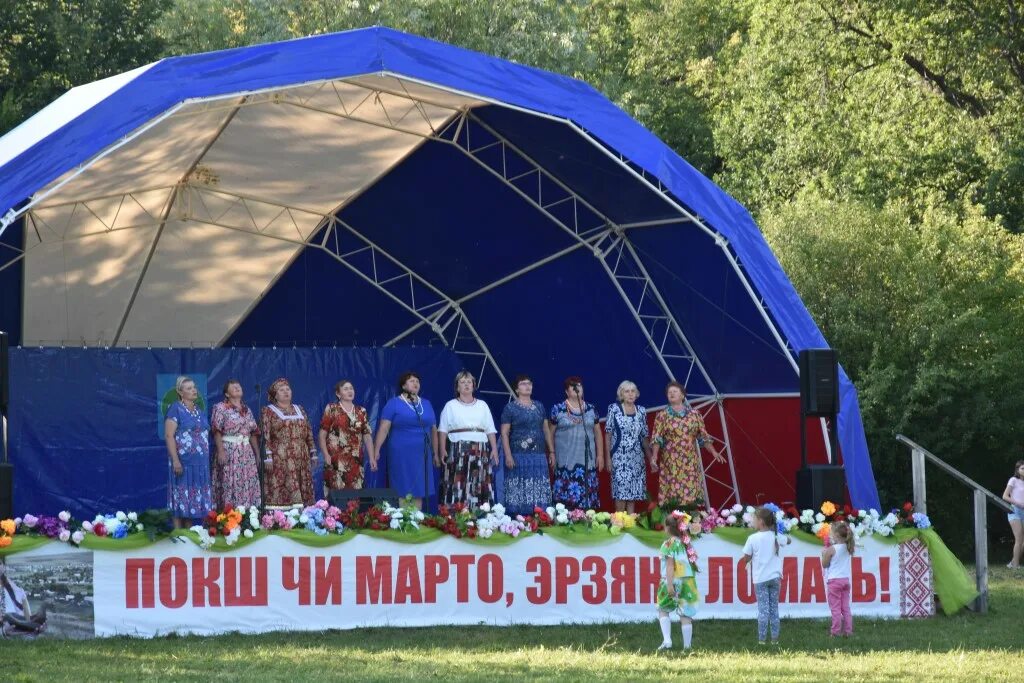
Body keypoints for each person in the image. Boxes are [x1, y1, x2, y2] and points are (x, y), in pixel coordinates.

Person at [650, 382, 725, 506]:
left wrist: (713, 451)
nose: (671, 394)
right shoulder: (662, 415)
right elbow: (657, 438)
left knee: (690, 491)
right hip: (671, 460)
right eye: (669, 392)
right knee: (673, 492)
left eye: (675, 391)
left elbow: (703, 436)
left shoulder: (695, 415)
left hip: (690, 460)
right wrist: (654, 456)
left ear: (682, 395)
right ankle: (674, 520)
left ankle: (689, 522)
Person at [374, 372, 438, 509]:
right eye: (411, 381)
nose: (415, 383)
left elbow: (433, 430)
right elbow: (384, 428)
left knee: (420, 486)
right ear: (403, 385)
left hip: (422, 453)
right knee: (403, 485)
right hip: (401, 453)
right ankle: (404, 518)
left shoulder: (426, 404)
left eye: (417, 381)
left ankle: (416, 520)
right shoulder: (394, 403)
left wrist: (435, 453)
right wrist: (377, 449)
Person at [437, 371, 499, 507]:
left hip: (480, 449)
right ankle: (454, 514)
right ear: (457, 387)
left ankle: (481, 514)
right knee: (456, 482)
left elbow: (490, 429)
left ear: (474, 386)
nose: (466, 385)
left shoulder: (482, 405)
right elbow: (442, 430)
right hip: (457, 448)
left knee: (479, 481)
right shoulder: (450, 405)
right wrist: (442, 450)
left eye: (469, 382)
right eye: (462, 382)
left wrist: (494, 449)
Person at [548, 376, 605, 509]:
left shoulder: (591, 409)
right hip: (565, 462)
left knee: (588, 500)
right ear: (567, 392)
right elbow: (550, 433)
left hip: (587, 462)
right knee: (565, 502)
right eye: (573, 386)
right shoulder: (558, 409)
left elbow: (598, 433)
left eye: (579, 385)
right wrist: (551, 453)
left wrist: (600, 455)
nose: (577, 388)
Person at [164, 375, 213, 528]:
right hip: (184, 463)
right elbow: (169, 435)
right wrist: (176, 460)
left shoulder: (199, 410)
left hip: (200, 465)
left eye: (194, 387)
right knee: (180, 501)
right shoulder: (175, 408)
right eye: (189, 388)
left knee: (191, 504)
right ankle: (179, 535)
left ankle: (188, 540)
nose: (194, 390)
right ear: (180, 392)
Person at [260, 378, 317, 508]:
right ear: (275, 394)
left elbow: (308, 430)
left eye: (288, 389)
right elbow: (266, 435)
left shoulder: (299, 409)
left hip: (301, 455)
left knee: (302, 483)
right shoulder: (268, 411)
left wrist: (313, 452)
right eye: (281, 390)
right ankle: (280, 518)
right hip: (281, 456)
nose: (286, 392)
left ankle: (303, 515)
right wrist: (267, 456)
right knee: (284, 484)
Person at [500, 375, 552, 515]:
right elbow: (504, 433)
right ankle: (518, 521)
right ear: (516, 389)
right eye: (523, 384)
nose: (527, 386)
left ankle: (540, 519)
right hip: (518, 456)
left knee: (539, 490)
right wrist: (508, 455)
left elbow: (546, 429)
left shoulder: (540, 406)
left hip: (539, 456)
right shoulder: (510, 408)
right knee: (519, 490)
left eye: (529, 383)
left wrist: (551, 451)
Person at [741, 506, 791, 646]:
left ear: (761, 522)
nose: (753, 521)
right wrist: (780, 536)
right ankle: (775, 639)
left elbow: (746, 557)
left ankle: (762, 640)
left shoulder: (753, 538)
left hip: (761, 579)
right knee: (774, 609)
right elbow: (789, 541)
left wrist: (749, 559)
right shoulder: (775, 536)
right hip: (775, 577)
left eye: (755, 519)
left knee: (763, 610)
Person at [319, 379, 375, 495]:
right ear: (338, 394)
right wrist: (325, 455)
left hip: (355, 460)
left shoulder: (361, 411)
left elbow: (367, 436)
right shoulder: (332, 408)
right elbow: (322, 434)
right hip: (335, 460)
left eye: (351, 388)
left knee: (355, 495)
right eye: (345, 389)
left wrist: (372, 457)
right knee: (336, 494)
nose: (350, 391)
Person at [210, 379, 261, 509]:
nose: (237, 388)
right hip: (230, 450)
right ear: (227, 394)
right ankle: (229, 516)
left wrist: (257, 454)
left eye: (239, 386)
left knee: (247, 481)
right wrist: (220, 451)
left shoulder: (246, 409)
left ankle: (248, 517)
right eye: (233, 387)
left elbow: (253, 432)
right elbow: (216, 431)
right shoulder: (220, 408)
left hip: (246, 452)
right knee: (230, 482)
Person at [655, 511, 699, 651]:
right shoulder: (686, 543)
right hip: (688, 582)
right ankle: (687, 646)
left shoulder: (668, 544)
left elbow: (669, 565)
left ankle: (667, 640)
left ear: (667, 528)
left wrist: (669, 584)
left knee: (663, 608)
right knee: (685, 613)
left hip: (672, 580)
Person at [605, 380, 652, 513]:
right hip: (620, 458)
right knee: (621, 493)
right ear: (621, 394)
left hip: (637, 459)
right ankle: (619, 523)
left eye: (633, 391)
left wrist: (650, 459)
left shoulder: (642, 411)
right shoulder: (613, 409)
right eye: (627, 391)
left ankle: (630, 524)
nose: (630, 394)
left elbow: (644, 437)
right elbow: (607, 434)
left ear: (636, 394)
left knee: (633, 494)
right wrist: (608, 458)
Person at [822, 520, 855, 637]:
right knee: (845, 608)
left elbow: (824, 564)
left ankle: (835, 632)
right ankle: (848, 631)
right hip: (845, 581)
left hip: (834, 581)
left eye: (831, 533)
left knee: (835, 609)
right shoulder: (848, 547)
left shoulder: (832, 549)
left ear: (836, 535)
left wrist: (824, 553)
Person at [1, 560, 47, 636]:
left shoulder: (16, 590)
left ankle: (35, 623)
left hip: (15, 625)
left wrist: (32, 632)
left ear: (4, 567)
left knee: (10, 616)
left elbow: (26, 618)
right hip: (8, 624)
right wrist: (3, 632)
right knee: (7, 616)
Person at [1003, 460, 1024, 569]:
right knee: (1019, 539)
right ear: (1018, 470)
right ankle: (1015, 566)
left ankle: (1012, 563)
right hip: (1015, 511)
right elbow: (1005, 496)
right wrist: (1019, 503)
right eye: (1023, 468)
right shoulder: (1013, 480)